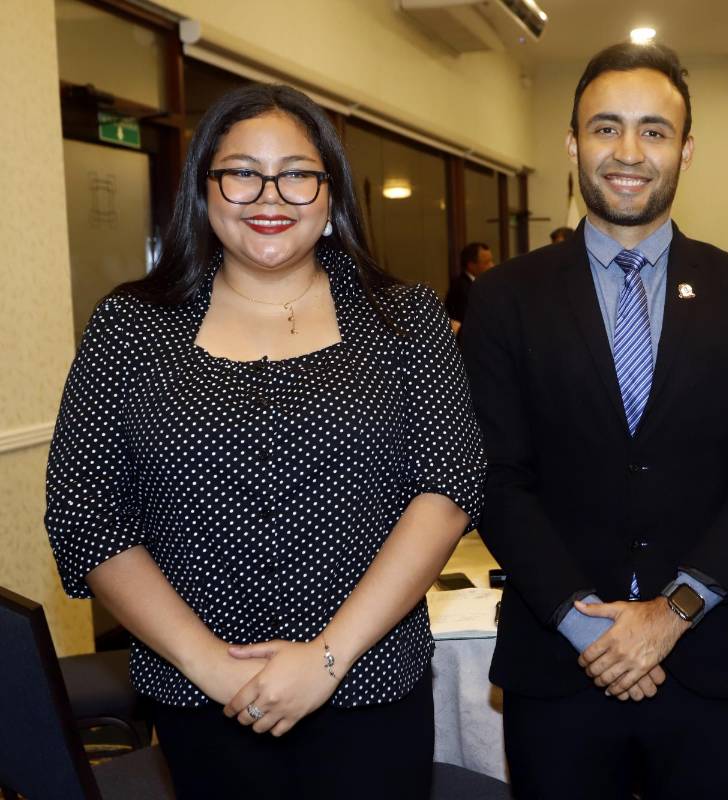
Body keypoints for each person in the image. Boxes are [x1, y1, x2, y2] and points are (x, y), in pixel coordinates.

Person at [44, 83, 486, 799]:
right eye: (242, 172)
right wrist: (213, 668)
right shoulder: (130, 328)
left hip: (370, 686)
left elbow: (447, 488)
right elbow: (86, 515)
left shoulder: (405, 319)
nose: (269, 196)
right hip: (200, 699)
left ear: (331, 193)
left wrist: (325, 659)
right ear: (205, 188)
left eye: (297, 174)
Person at [462, 42, 728, 799]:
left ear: (686, 150)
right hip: (558, 665)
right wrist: (591, 628)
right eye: (606, 127)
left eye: (654, 131)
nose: (628, 151)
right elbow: (495, 478)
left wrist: (670, 615)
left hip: (705, 662)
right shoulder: (504, 299)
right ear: (572, 144)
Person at [444, 241, 494, 333]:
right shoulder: (462, 287)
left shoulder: (479, 283)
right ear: (471, 265)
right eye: (486, 262)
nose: (492, 266)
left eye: (491, 261)